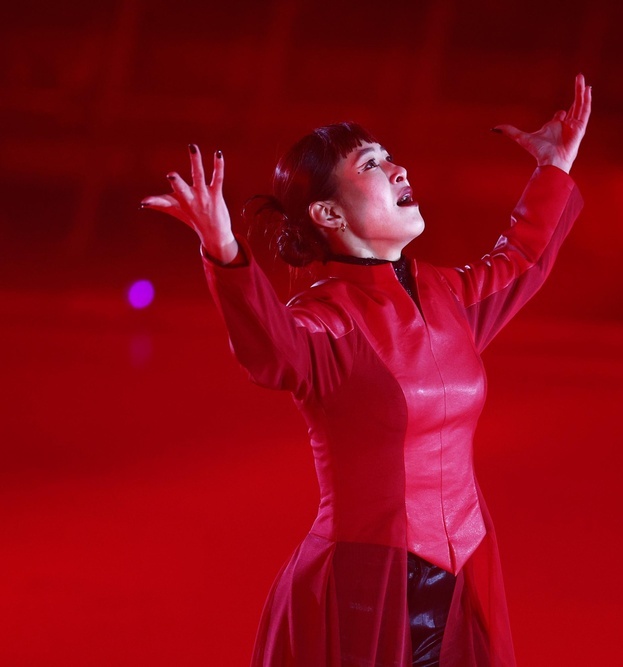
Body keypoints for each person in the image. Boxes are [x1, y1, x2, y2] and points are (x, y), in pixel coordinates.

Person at [141, 74, 591, 666]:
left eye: (390, 157)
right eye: (373, 164)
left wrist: (554, 166)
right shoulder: (328, 319)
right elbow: (273, 350)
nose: (399, 170)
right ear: (328, 212)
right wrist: (225, 250)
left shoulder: (446, 295)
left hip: (468, 571)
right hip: (366, 585)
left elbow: (523, 258)